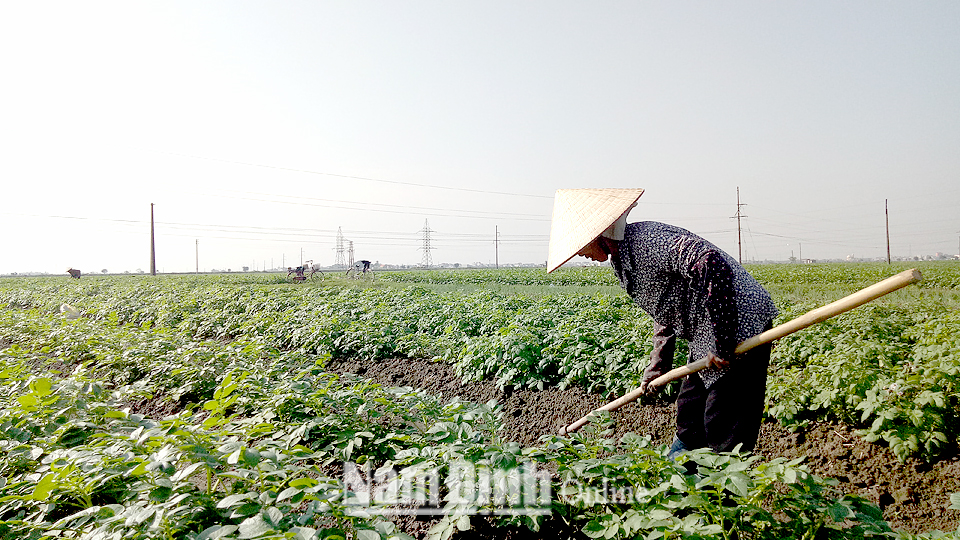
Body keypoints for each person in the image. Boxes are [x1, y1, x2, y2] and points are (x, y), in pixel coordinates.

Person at [546, 188, 778, 460]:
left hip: (740, 324)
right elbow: (664, 309)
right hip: (705, 331)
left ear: (601, 235)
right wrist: (658, 366)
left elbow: (709, 263)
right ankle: (676, 479)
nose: (579, 253)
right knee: (689, 414)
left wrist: (724, 341)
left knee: (722, 420)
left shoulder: (647, 242)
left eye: (580, 244)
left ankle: (719, 495)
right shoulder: (622, 260)